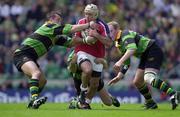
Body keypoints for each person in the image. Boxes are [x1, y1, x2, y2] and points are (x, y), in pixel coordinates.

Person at [12, 10, 98, 109]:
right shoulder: (48, 27)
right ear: (51, 19)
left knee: (43, 81)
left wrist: (85, 40)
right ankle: (34, 99)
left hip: (31, 57)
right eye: (58, 19)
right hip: (21, 54)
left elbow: (71, 43)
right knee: (36, 73)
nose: (59, 22)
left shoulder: (54, 36)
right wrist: (88, 25)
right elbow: (70, 29)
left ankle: (32, 102)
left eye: (60, 20)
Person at [105, 21, 179, 110]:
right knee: (137, 82)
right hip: (145, 55)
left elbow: (132, 49)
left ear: (117, 29)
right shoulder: (118, 43)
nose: (109, 34)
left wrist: (119, 62)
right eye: (108, 32)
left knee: (148, 77)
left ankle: (173, 93)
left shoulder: (125, 34)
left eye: (111, 31)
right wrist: (119, 76)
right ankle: (151, 103)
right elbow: (127, 62)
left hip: (152, 50)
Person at [74, 4, 113, 109]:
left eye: (90, 14)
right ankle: (82, 92)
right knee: (87, 70)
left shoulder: (102, 25)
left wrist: (96, 35)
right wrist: (85, 40)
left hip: (97, 56)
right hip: (82, 52)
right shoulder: (81, 22)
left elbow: (109, 43)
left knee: (95, 85)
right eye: (86, 13)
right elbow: (74, 40)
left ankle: (85, 103)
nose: (87, 16)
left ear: (96, 15)